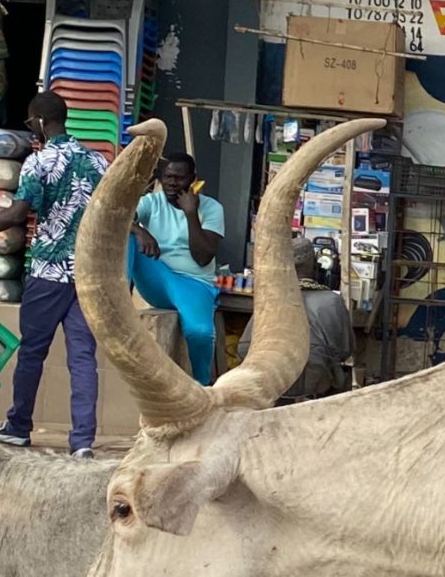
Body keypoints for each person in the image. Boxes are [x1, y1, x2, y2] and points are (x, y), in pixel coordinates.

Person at [0, 91, 106, 456]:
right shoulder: (98, 162)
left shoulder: (39, 162)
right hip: (86, 273)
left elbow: (17, 214)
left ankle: (19, 426)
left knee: (33, 353)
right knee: (83, 357)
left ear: (38, 121)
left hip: (48, 271)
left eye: (29, 123)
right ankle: (82, 442)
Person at [130, 149, 226, 383]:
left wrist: (191, 214)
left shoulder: (212, 208)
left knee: (199, 332)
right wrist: (138, 230)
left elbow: (203, 257)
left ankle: (203, 383)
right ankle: (118, 298)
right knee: (127, 236)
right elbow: (118, 217)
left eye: (179, 178)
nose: (172, 183)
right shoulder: (151, 202)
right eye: (168, 177)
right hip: (157, 278)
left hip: (194, 283)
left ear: (193, 179)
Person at [237, 236, 354, 402]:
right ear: (315, 265)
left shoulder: (269, 299)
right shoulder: (331, 301)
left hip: (266, 391)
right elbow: (346, 350)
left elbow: (242, 350)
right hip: (314, 392)